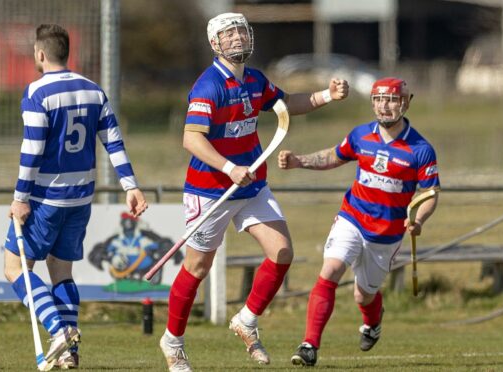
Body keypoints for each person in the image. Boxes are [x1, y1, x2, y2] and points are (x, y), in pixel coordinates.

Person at [158, 12, 348, 372]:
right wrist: (229, 168)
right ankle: (173, 341)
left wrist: (326, 96)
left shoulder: (256, 80)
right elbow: (190, 138)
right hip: (212, 189)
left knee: (282, 253)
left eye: (241, 32)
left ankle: (246, 319)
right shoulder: (208, 86)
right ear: (215, 44)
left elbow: (286, 103)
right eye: (228, 35)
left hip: (252, 185)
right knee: (197, 267)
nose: (237, 39)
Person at [3, 24, 148, 369]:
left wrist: (20, 197)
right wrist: (131, 185)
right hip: (81, 199)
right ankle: (69, 351)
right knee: (61, 271)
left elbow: (32, 150)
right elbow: (113, 140)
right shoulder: (94, 90)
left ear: (40, 54)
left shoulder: (38, 92)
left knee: (14, 267)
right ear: (67, 53)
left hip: (45, 198)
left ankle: (57, 329)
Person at [278, 77, 440, 367]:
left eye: (391, 100)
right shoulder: (360, 136)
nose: (384, 107)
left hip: (386, 234)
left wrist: (420, 221)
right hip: (351, 218)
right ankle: (309, 345)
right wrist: (299, 161)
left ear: (404, 103)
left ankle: (373, 322)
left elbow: (430, 195)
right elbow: (333, 156)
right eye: (378, 100)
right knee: (330, 270)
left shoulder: (420, 149)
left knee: (363, 295)